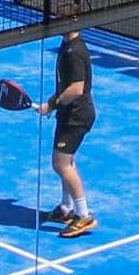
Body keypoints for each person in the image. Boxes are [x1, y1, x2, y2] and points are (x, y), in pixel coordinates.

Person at [37, 24, 98, 239]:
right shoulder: (68, 45)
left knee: (60, 163)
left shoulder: (74, 52)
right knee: (67, 162)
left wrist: (51, 104)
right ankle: (66, 209)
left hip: (76, 116)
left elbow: (76, 89)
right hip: (68, 115)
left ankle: (84, 216)